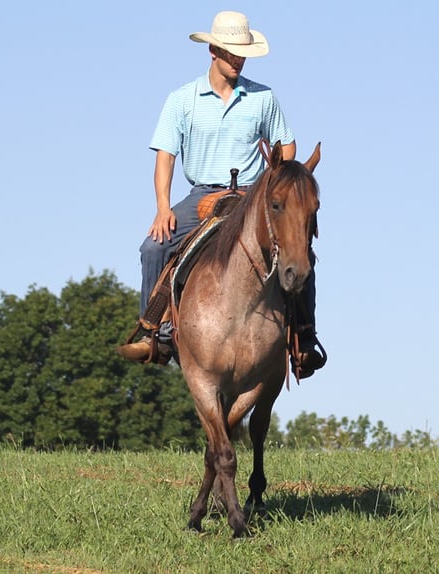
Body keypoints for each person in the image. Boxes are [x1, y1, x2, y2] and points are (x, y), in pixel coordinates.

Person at [116, 10, 325, 377]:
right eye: (230, 51)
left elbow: (288, 149)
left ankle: (304, 341)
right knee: (153, 247)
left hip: (252, 196)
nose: (237, 59)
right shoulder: (182, 100)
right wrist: (163, 207)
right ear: (212, 50)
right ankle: (155, 335)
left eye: (242, 52)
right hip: (201, 196)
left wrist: (274, 180)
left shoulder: (264, 98)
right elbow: (165, 158)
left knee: (301, 252)